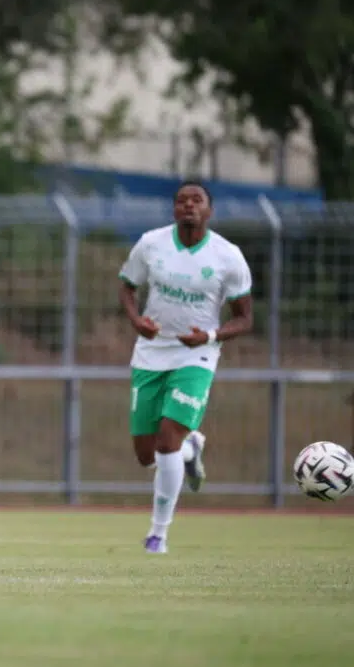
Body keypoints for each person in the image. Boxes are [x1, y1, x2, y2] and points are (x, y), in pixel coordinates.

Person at [118, 180, 253, 554]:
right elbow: (127, 286)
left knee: (165, 442)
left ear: (209, 209)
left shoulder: (228, 257)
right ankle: (190, 450)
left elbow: (245, 319)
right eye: (181, 200)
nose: (188, 205)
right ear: (173, 209)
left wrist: (209, 335)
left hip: (197, 355)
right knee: (146, 455)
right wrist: (136, 320)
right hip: (150, 353)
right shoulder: (150, 244)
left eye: (196, 200)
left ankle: (158, 534)